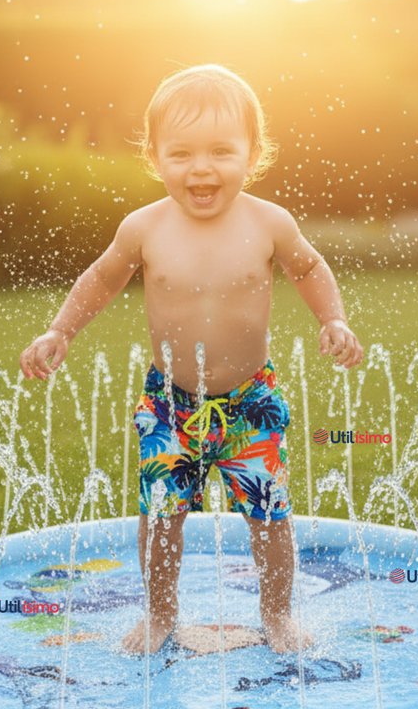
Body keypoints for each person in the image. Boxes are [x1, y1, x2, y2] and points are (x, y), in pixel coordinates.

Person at [19, 64, 363, 654]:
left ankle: (277, 616)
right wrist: (60, 331)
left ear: (253, 153)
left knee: (268, 517)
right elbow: (101, 279)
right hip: (170, 405)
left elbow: (308, 268)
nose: (201, 168)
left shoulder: (269, 222)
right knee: (160, 518)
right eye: (180, 153)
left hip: (250, 403)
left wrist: (333, 318)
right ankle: (159, 616)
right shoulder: (144, 227)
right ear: (154, 157)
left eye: (220, 152)